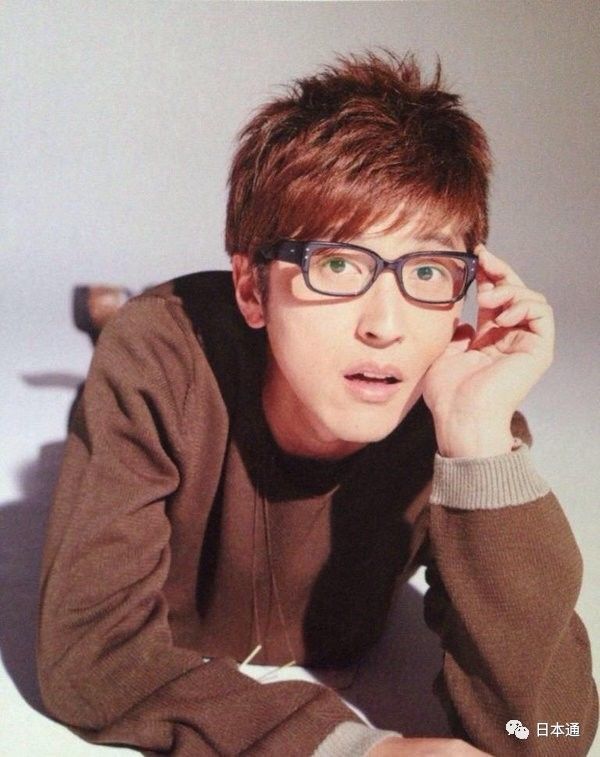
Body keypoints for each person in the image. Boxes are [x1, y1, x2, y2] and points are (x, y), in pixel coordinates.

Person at [37, 51, 597, 756]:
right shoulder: (156, 364)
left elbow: (545, 733)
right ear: (252, 288)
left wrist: (479, 437)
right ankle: (110, 313)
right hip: (174, 348)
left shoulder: (453, 419)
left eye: (427, 271)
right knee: (139, 331)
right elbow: (91, 654)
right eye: (336, 264)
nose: (386, 326)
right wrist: (353, 750)